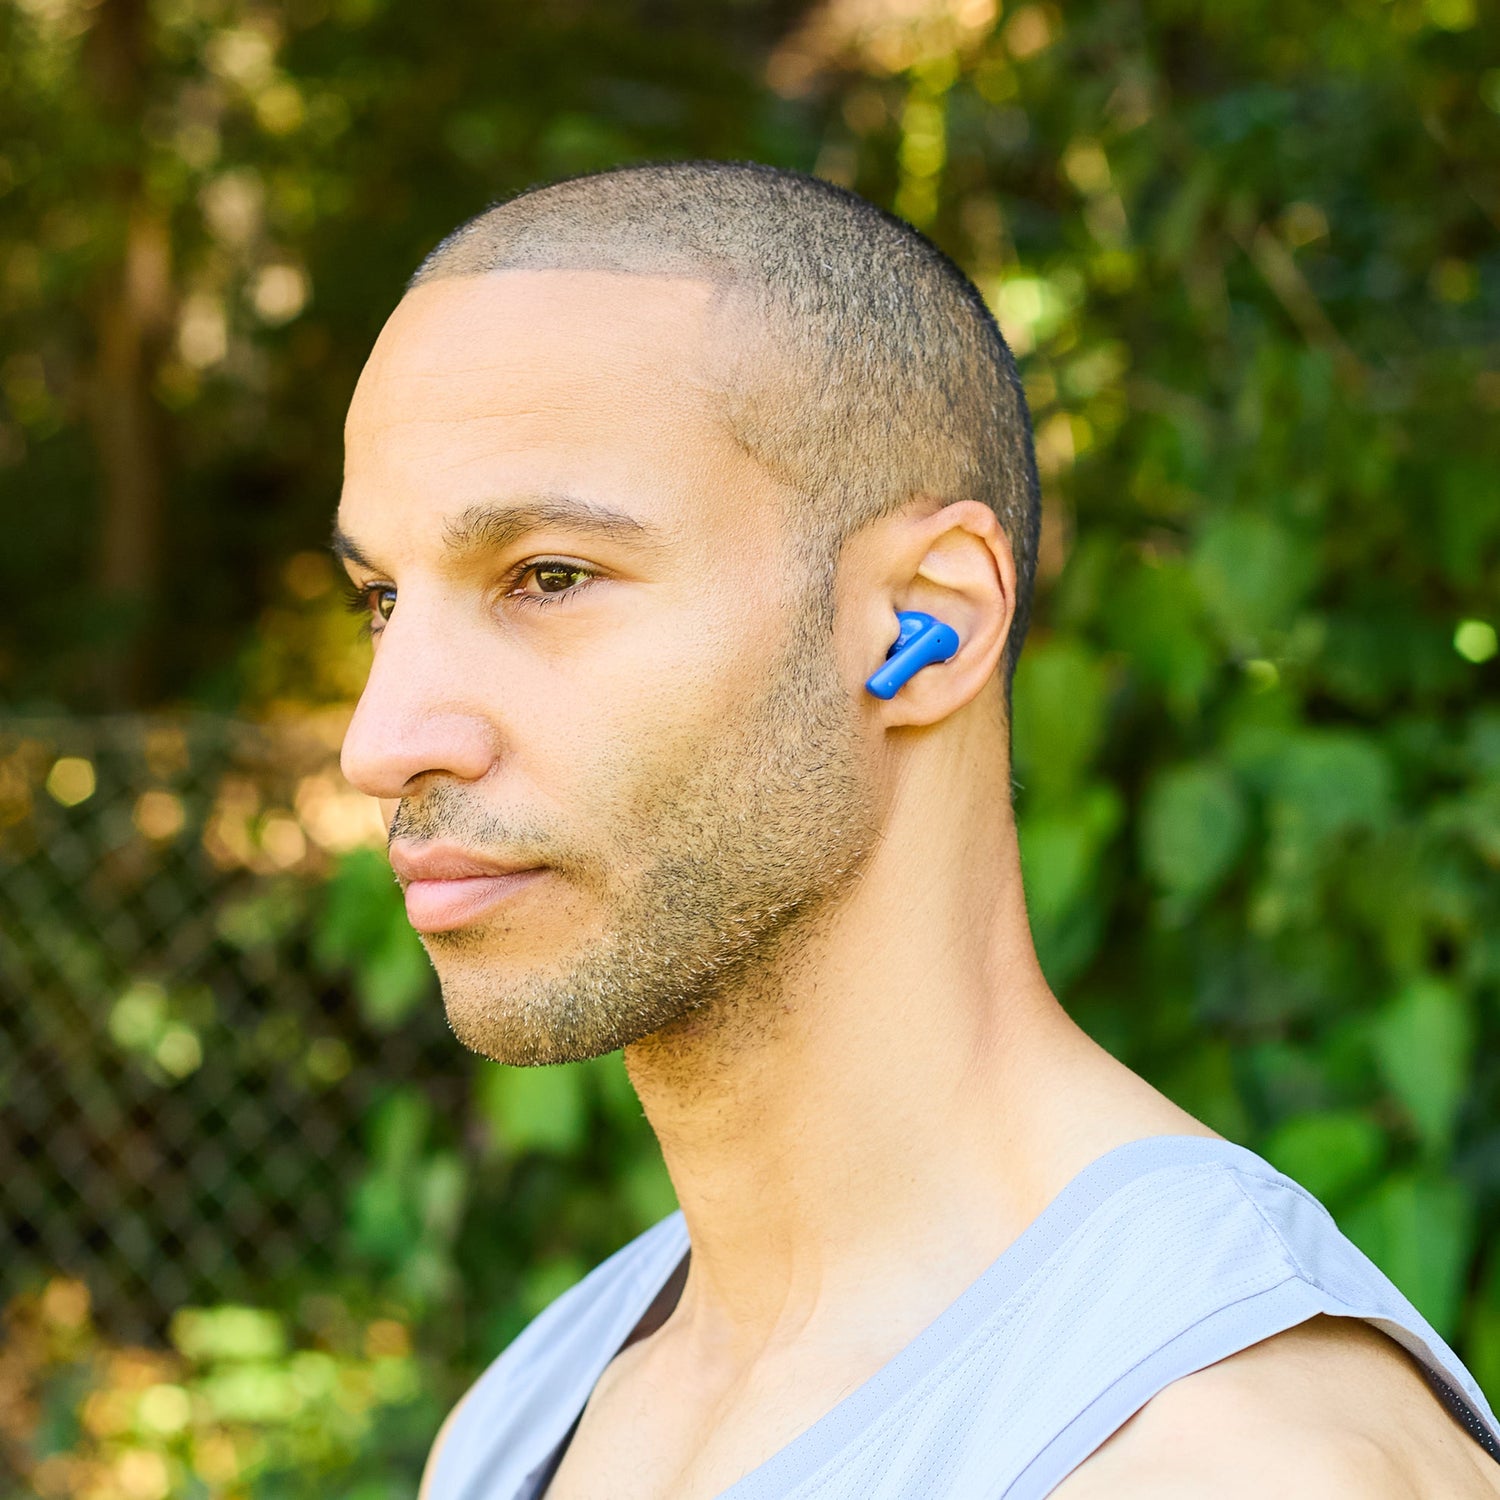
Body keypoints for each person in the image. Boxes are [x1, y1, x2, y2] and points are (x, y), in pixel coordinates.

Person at [333, 161, 1500, 1498]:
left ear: (921, 624)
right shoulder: (528, 1412)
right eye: (379, 597)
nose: (382, 739)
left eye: (549, 577)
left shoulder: (1223, 1456)